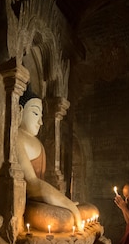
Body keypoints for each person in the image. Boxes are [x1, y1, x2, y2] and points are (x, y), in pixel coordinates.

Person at [16, 87, 85, 231]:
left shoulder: (37, 143)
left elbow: (42, 183)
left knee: (89, 210)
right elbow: (33, 183)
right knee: (63, 219)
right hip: (26, 204)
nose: (40, 122)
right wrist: (69, 206)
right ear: (19, 111)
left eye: (41, 115)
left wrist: (64, 201)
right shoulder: (17, 137)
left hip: (41, 199)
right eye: (35, 113)